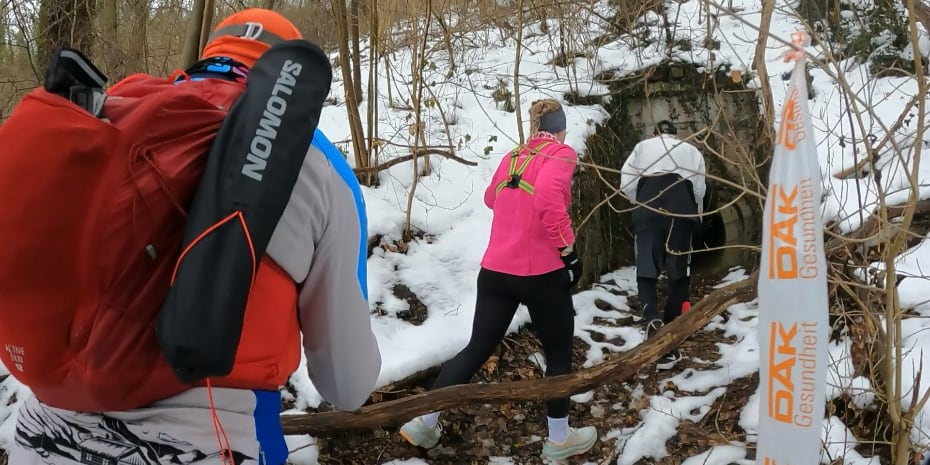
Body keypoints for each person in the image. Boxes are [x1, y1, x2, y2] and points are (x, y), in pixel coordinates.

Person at [8, 9, 382, 465]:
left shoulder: (105, 120)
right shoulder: (311, 161)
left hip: (41, 435)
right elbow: (347, 383)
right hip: (206, 442)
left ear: (208, 56)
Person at [398, 99, 597, 461]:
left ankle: (424, 422)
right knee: (557, 354)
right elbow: (548, 201)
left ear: (535, 126)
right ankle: (559, 439)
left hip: (495, 272)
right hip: (541, 273)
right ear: (560, 129)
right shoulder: (561, 153)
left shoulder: (514, 157)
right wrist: (569, 252)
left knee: (476, 348)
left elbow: (491, 197)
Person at [619, 119, 706, 370]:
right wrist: (693, 215)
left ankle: (651, 319)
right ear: (676, 136)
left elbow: (626, 183)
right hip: (680, 210)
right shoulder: (691, 151)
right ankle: (669, 331)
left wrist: (641, 202)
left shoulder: (642, 147)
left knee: (646, 270)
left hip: (649, 208)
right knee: (679, 273)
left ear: (654, 134)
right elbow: (699, 190)